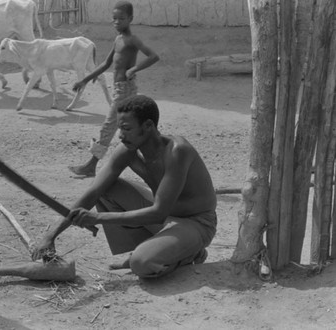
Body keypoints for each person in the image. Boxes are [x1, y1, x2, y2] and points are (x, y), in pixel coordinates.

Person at [32, 95, 218, 278]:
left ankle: (187, 254)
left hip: (196, 223)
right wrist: (51, 235)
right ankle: (155, 247)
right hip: (163, 216)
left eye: (127, 129)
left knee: (141, 264)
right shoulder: (128, 150)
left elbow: (159, 212)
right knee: (107, 189)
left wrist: (97, 218)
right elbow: (93, 192)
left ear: (148, 126)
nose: (121, 135)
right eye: (120, 129)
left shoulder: (177, 151)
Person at [68, 0, 160, 177]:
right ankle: (152, 156)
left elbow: (153, 56)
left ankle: (91, 166)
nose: (116, 22)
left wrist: (134, 69)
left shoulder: (132, 40)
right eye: (114, 18)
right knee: (127, 126)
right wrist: (84, 80)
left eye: (121, 18)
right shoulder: (118, 39)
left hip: (126, 89)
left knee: (109, 126)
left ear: (130, 19)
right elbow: (106, 63)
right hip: (118, 88)